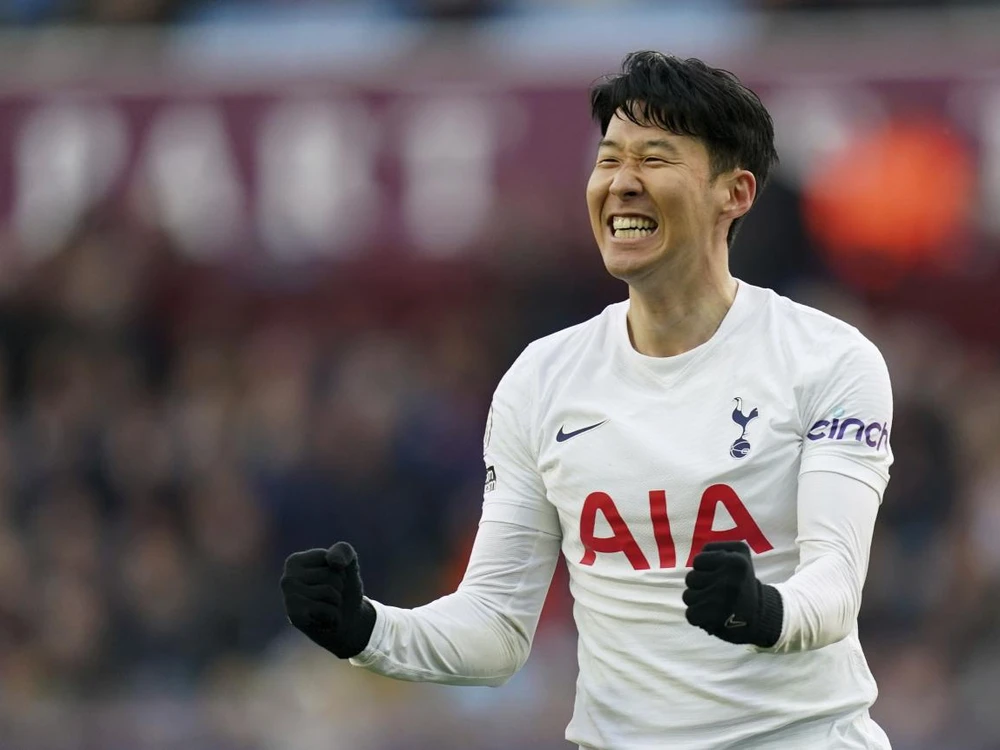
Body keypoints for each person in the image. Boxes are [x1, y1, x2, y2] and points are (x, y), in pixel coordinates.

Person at [280, 51, 894, 749]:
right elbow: (496, 627)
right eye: (609, 160)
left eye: (656, 159)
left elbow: (835, 584)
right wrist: (365, 628)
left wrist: (766, 611)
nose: (623, 183)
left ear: (736, 192)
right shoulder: (543, 381)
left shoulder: (830, 361)